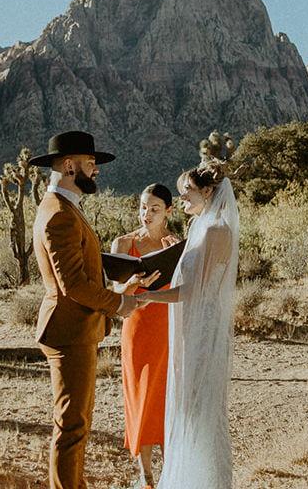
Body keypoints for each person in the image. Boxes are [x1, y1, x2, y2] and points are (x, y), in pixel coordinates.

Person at [29, 130, 143, 489]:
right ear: (69, 165)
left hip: (75, 330)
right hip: (69, 332)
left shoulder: (63, 207)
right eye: (91, 162)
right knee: (71, 427)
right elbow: (74, 286)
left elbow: (79, 277)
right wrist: (119, 303)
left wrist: (118, 288)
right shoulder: (59, 214)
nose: (96, 169)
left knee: (76, 423)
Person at [134, 160, 239, 489]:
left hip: (202, 331)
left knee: (201, 410)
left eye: (187, 191)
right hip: (188, 329)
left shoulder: (216, 231)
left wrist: (149, 296)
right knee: (188, 408)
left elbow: (193, 291)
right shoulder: (201, 228)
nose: (181, 199)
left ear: (207, 192)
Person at [110, 184, 181, 489]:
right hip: (137, 328)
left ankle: (172, 471)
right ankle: (147, 475)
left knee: (166, 397)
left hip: (169, 327)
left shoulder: (177, 245)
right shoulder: (124, 243)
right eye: (142, 207)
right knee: (141, 397)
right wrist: (132, 284)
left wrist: (181, 254)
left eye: (154, 209)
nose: (146, 214)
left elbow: (188, 288)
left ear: (168, 212)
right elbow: (114, 291)